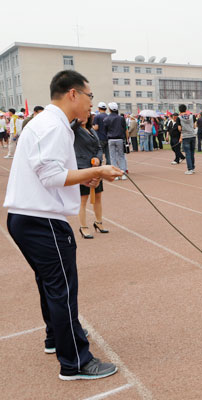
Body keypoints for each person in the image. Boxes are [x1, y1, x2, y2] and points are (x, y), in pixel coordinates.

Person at [4, 70, 123, 380]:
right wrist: (99, 172)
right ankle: (75, 362)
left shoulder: (48, 124)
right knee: (62, 289)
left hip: (27, 217)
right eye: (89, 97)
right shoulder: (53, 126)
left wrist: (86, 174)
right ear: (73, 94)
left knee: (50, 284)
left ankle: (55, 338)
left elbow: (51, 173)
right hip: (41, 220)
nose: (91, 105)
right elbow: (52, 177)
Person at [72, 113, 109, 239]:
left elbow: (99, 147)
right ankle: (83, 227)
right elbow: (70, 127)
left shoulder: (92, 130)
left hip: (95, 167)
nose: (85, 116)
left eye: (87, 114)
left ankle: (98, 222)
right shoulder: (75, 129)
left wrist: (98, 158)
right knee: (83, 199)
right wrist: (77, 120)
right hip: (82, 167)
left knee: (98, 196)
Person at [104, 103, 127, 180]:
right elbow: (124, 129)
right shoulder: (121, 118)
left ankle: (115, 175)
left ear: (109, 109)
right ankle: (123, 173)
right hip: (120, 139)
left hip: (111, 139)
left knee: (112, 157)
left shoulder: (106, 119)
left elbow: (105, 130)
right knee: (121, 156)